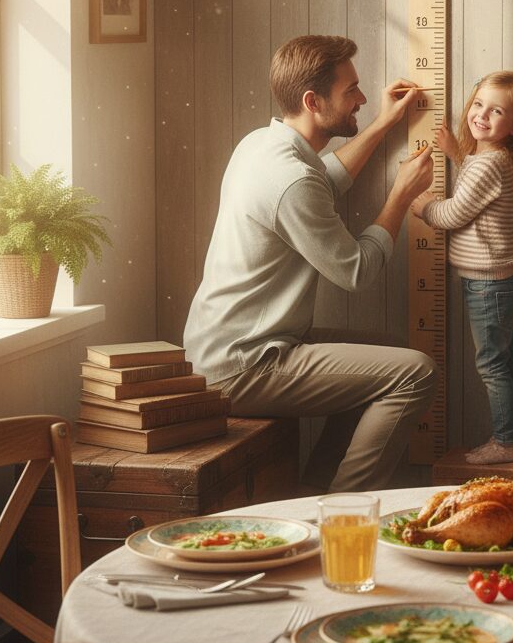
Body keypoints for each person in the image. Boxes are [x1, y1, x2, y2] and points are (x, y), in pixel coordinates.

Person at [183, 35, 437, 492]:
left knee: (388, 357)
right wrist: (401, 195)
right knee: (415, 371)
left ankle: (314, 498)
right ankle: (342, 515)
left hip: (230, 348)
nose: (361, 97)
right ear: (312, 101)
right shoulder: (291, 178)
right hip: (245, 365)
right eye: (351, 91)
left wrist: (380, 124)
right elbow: (355, 271)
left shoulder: (262, 144)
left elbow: (324, 181)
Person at [411, 71, 513, 465]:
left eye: (496, 111)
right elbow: (476, 181)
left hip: (488, 285)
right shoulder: (493, 159)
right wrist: (456, 155)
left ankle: (504, 442)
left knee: (491, 364)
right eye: (479, 105)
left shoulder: (488, 165)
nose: (482, 115)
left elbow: (455, 212)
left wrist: (422, 208)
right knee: (506, 360)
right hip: (503, 279)